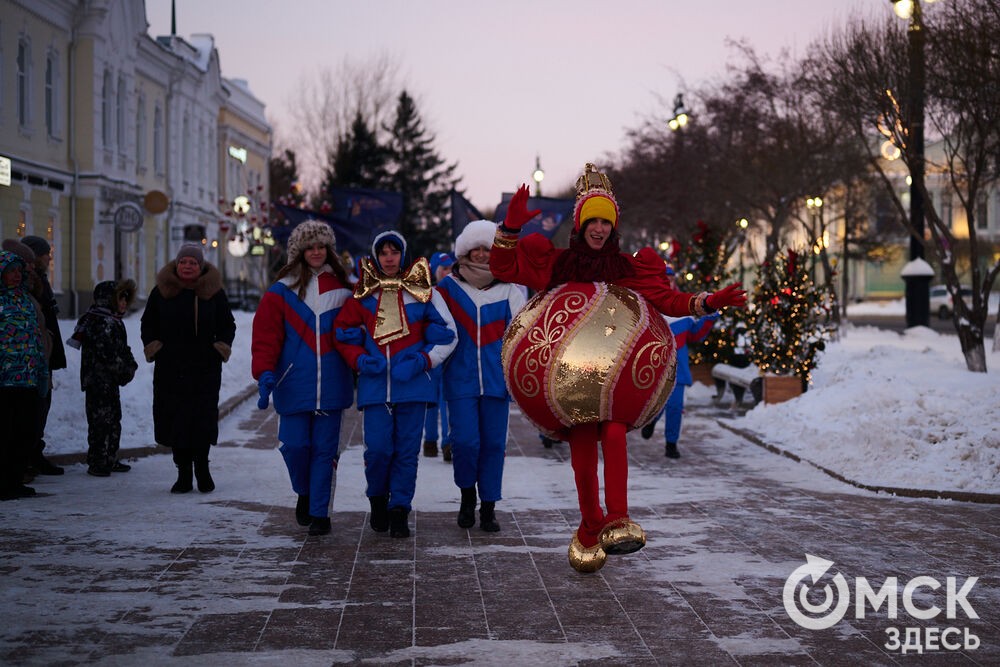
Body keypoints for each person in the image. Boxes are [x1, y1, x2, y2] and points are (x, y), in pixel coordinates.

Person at [490, 164, 746, 572]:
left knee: (613, 433)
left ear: (614, 227)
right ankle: (591, 523)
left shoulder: (630, 268)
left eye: (605, 222)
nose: (598, 229)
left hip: (616, 381)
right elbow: (504, 269)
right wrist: (509, 228)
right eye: (591, 220)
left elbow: (669, 301)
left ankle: (619, 517)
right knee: (583, 450)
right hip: (570, 380)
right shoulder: (555, 262)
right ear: (580, 225)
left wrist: (709, 301)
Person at [332, 231, 458, 538]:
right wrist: (359, 359)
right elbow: (342, 333)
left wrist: (422, 361)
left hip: (413, 386)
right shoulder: (362, 295)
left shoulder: (426, 293)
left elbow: (449, 335)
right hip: (376, 388)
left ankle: (400, 508)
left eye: (394, 252)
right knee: (377, 451)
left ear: (403, 254)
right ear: (376, 256)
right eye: (384, 252)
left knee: (405, 452)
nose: (389, 258)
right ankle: (377, 499)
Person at [252, 220, 354, 536]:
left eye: (321, 246)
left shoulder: (345, 288)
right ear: (299, 252)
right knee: (295, 447)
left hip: (333, 384)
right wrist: (265, 371)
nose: (316, 252)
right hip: (292, 384)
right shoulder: (281, 291)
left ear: (329, 249)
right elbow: (266, 337)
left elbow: (361, 329)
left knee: (325, 453)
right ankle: (305, 492)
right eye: (310, 247)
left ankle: (320, 512)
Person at [437, 221, 525, 532]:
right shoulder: (446, 288)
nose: (481, 253)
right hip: (459, 381)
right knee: (464, 443)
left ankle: (489, 507)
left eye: (487, 248)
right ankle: (466, 497)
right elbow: (433, 328)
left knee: (492, 445)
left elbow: (522, 335)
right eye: (475, 248)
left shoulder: (509, 290)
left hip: (496, 382)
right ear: (464, 251)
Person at [141, 245, 236, 494]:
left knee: (202, 420)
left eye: (192, 263)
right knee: (176, 421)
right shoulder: (162, 291)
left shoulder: (213, 292)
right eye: (183, 261)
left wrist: (220, 347)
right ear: (176, 264)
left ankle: (203, 471)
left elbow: (228, 324)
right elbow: (147, 323)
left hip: (204, 369)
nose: (187, 266)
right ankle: (183, 474)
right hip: (171, 369)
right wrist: (156, 348)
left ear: (201, 266)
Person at [640, 268, 719, 458]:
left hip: (679, 369)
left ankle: (671, 444)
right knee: (658, 404)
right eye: (665, 278)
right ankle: (652, 420)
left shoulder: (683, 308)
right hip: (655, 367)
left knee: (675, 406)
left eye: (671, 278)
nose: (669, 281)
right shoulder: (649, 307)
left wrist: (709, 317)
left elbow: (695, 335)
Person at [67, 280, 139, 476]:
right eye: (120, 298)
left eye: (126, 299)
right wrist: (126, 370)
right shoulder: (101, 322)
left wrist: (129, 363)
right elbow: (108, 354)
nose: (123, 303)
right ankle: (98, 461)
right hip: (98, 381)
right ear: (109, 299)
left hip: (109, 382)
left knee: (114, 418)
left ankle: (110, 457)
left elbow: (122, 350)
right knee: (100, 421)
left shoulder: (112, 320)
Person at [0, 249, 48, 500]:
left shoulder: (26, 300)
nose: (17, 275)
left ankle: (14, 480)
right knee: (4, 433)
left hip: (27, 378)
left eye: (19, 271)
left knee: (25, 432)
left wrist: (41, 371)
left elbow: (36, 338)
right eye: (11, 271)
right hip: (4, 381)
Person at [21, 235, 67, 476]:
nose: (49, 257)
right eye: (45, 253)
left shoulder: (41, 281)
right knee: (33, 409)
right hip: (35, 355)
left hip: (45, 352)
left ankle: (34, 455)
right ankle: (27, 457)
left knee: (42, 406)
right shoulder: (29, 282)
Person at [422, 251, 456, 459]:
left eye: (452, 269)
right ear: (435, 272)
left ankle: (447, 443)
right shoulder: (429, 294)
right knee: (430, 398)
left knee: (446, 397)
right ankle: (430, 440)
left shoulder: (455, 293)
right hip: (430, 352)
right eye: (443, 269)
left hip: (450, 353)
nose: (448, 273)